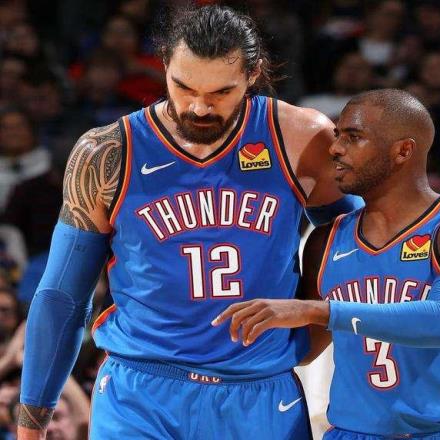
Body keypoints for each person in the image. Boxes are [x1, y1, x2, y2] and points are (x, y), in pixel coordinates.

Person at [17, 5, 363, 440]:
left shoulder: (300, 137)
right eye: (183, 86)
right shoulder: (107, 153)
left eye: (221, 92)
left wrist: (315, 320)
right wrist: (31, 426)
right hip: (140, 392)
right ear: (164, 64)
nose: (199, 107)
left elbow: (357, 246)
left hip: (259, 390)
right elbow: (62, 296)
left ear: (253, 74)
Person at [215, 89, 440, 438]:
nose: (335, 148)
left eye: (353, 137)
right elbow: (300, 349)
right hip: (353, 432)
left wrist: (319, 311)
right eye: (337, 135)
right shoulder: (325, 241)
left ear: (403, 151)